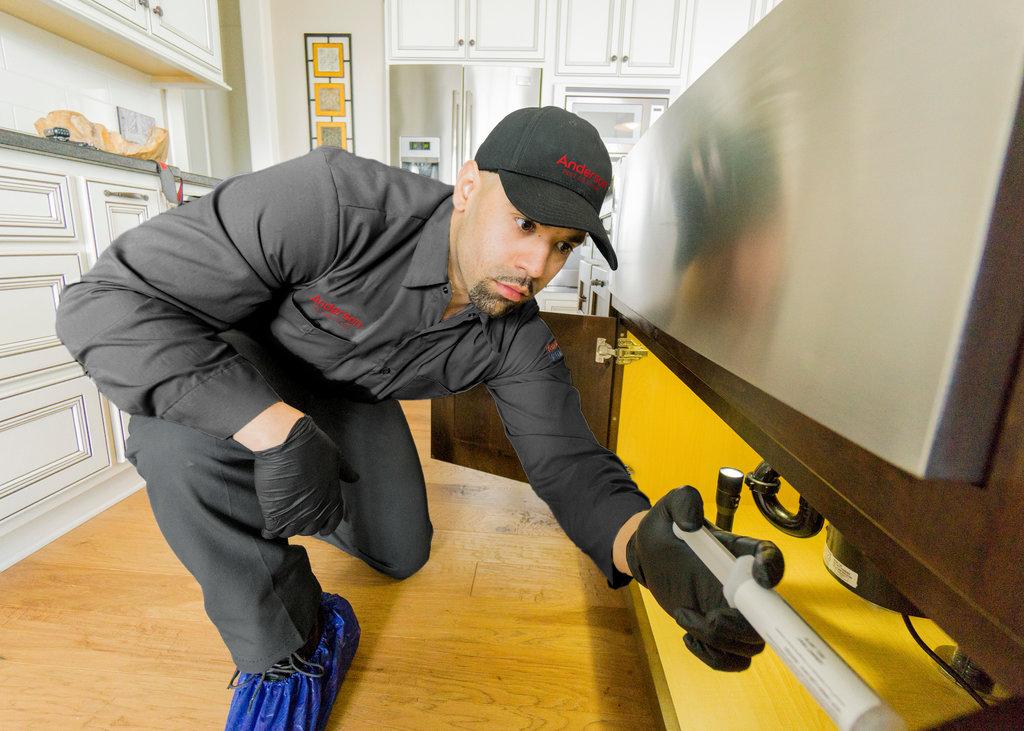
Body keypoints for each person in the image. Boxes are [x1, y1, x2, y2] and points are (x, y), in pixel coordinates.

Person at [54, 106, 783, 729]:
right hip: (243, 374)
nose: (535, 265)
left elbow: (567, 464)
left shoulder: (515, 334)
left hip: (347, 405)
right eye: (524, 223)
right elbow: (101, 303)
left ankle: (293, 507)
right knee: (177, 442)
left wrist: (645, 547)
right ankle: (288, 649)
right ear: (467, 186)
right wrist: (273, 430)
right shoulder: (333, 202)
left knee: (402, 551)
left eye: (562, 246)